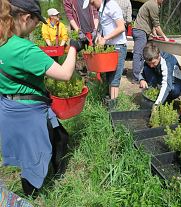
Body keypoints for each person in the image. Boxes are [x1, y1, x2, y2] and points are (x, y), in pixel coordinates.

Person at [0, 0, 87, 197]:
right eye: (36, 21)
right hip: (28, 111)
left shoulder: (3, 41)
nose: (37, 25)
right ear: (25, 18)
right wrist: (73, 47)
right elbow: (65, 74)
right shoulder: (23, 49)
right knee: (32, 159)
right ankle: (34, 197)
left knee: (58, 138)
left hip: (8, 107)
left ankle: (56, 178)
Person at [84, 0, 127, 108]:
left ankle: (114, 108)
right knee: (109, 78)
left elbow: (121, 27)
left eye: (92, 3)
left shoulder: (111, 5)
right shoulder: (101, 9)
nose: (92, 6)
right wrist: (99, 36)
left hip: (118, 46)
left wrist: (105, 38)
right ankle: (110, 104)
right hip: (109, 47)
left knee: (114, 79)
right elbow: (105, 26)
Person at [132, 0, 168, 84]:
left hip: (142, 30)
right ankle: (137, 78)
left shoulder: (152, 4)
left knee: (143, 54)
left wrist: (154, 33)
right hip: (140, 30)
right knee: (139, 54)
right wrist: (164, 37)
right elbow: (156, 24)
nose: (164, 1)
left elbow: (150, 21)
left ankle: (142, 75)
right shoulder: (153, 4)